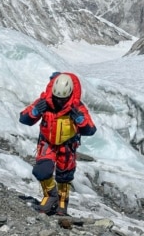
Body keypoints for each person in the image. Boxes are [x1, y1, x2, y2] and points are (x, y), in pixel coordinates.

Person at [19, 71, 97, 216]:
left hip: (67, 146)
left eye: (63, 98)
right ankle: (50, 195)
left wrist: (80, 120)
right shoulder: (44, 102)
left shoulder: (77, 107)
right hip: (47, 143)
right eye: (56, 98)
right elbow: (24, 119)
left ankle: (62, 201)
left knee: (65, 175)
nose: (59, 101)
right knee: (41, 170)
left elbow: (91, 129)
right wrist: (35, 112)